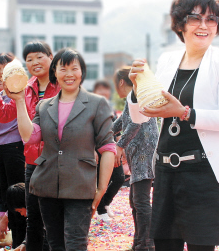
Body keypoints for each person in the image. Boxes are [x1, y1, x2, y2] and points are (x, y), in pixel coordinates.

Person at [128, 0, 219, 251]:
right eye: (195, 18)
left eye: (211, 19)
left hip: (203, 173)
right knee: (164, 245)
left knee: (200, 247)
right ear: (180, 24)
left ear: (218, 25)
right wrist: (137, 89)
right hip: (166, 171)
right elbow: (145, 114)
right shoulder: (168, 60)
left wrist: (184, 113)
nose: (203, 25)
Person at [11, 48, 116, 250]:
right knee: (55, 244)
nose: (69, 74)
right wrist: (18, 101)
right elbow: (29, 136)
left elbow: (108, 148)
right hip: (47, 184)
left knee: (76, 244)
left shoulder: (97, 104)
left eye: (74, 68)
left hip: (80, 186)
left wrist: (101, 189)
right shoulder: (44, 106)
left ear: (82, 72)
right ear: (55, 73)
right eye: (63, 69)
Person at [0, 40, 60, 251]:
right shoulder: (25, 87)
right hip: (32, 161)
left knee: (55, 218)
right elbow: (4, 115)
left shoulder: (62, 85)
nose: (35, 62)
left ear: (51, 57)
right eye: (30, 59)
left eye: (40, 56)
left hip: (59, 161)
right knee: (33, 218)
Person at [113, 67, 158, 250]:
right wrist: (104, 133)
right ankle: (140, 242)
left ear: (121, 82)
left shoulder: (137, 94)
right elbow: (122, 121)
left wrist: (119, 144)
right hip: (138, 153)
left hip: (143, 152)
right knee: (136, 200)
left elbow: (133, 123)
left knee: (140, 201)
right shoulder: (132, 96)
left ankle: (147, 244)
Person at [0, 58, 26, 237]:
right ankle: (14, 235)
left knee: (17, 193)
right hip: (2, 147)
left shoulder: (18, 94)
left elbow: (2, 117)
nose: (1, 73)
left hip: (16, 147)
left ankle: (21, 236)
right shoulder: (0, 96)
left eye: (5, 69)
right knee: (7, 191)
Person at [93, 79, 125, 222]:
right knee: (102, 182)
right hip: (98, 150)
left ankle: (105, 203)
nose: (104, 93)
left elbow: (116, 130)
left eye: (106, 90)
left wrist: (120, 147)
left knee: (119, 178)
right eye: (100, 90)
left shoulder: (111, 109)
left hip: (111, 149)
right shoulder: (91, 108)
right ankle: (100, 210)